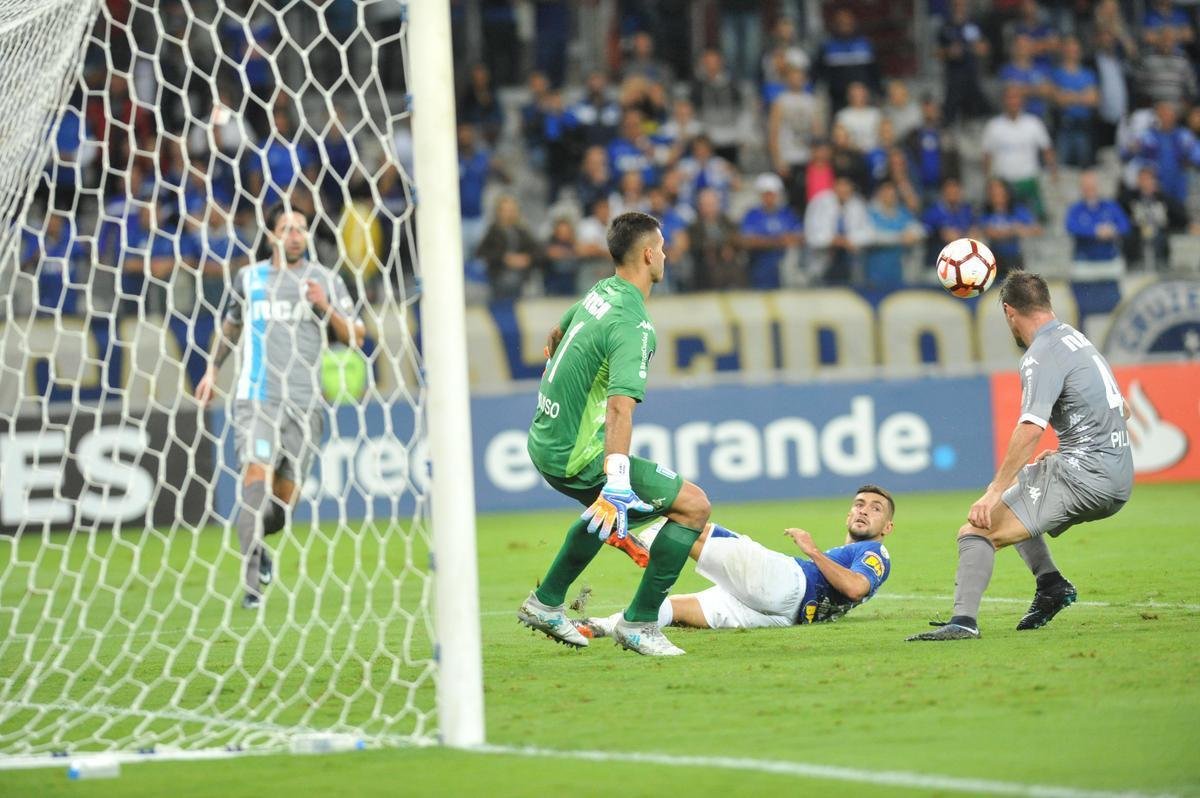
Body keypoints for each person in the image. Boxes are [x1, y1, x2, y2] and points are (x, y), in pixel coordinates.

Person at [517, 212, 713, 657]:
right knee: (693, 506)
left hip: (545, 438)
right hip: (575, 454)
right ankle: (640, 622)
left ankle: (545, 602)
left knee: (605, 515)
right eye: (661, 248)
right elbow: (620, 407)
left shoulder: (601, 291)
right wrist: (618, 479)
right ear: (648, 255)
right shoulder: (633, 324)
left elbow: (556, 332)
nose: (664, 255)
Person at [908, 272, 1132, 641]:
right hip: (1118, 473)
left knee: (977, 528)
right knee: (1021, 490)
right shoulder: (1077, 340)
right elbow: (1123, 409)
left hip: (1086, 476)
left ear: (1009, 312)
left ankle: (963, 622)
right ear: (1047, 304)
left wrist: (994, 490)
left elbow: (1030, 427)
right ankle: (1051, 584)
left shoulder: (1040, 355)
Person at [195, 203, 364, 610]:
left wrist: (324, 305)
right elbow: (232, 324)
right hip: (257, 397)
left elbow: (355, 334)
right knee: (255, 473)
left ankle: (260, 548)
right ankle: (252, 582)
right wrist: (211, 370)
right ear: (271, 235)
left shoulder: (325, 279)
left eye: (300, 228)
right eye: (286, 228)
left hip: (306, 405)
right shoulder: (249, 278)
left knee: (282, 505)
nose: (294, 235)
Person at [577, 486, 895, 635]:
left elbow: (855, 588)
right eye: (859, 504)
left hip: (788, 582)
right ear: (848, 514)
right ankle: (599, 628)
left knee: (690, 520)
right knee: (674, 608)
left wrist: (811, 551)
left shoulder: (875, 552)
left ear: (888, 528)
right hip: (784, 615)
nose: (864, 510)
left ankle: (639, 539)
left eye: (876, 508)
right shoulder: (846, 556)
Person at [982, 85, 1055, 220]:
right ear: (1004, 100)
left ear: (1022, 101)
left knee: (1036, 220)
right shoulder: (994, 126)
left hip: (1028, 182)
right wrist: (988, 181)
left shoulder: (1033, 123)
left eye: (1016, 97)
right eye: (1010, 98)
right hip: (1004, 185)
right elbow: (987, 156)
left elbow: (1047, 149)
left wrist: (1053, 174)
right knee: (1005, 222)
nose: (1013, 101)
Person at [739, 173, 803, 289]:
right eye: (766, 194)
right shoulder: (752, 215)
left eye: (772, 194)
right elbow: (748, 241)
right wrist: (777, 241)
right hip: (760, 265)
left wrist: (766, 241)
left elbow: (799, 237)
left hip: (786, 263)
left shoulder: (787, 213)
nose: (769, 198)